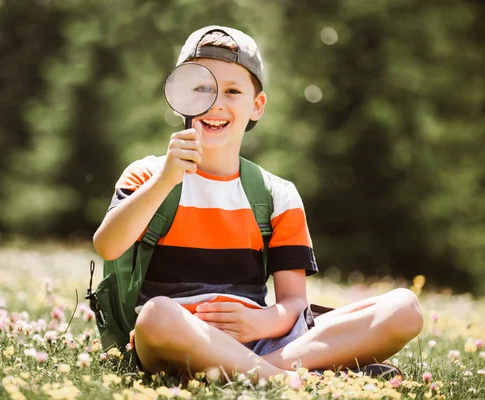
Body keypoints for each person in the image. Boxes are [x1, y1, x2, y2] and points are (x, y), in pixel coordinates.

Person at [93, 25, 423, 380]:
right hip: (175, 338)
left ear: (257, 106)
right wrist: (165, 180)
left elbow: (293, 302)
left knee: (405, 309)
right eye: (201, 88)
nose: (216, 102)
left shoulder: (276, 194)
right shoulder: (147, 175)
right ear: (178, 95)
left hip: (261, 340)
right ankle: (295, 378)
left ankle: (263, 372)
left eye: (233, 90)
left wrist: (260, 320)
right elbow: (108, 246)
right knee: (156, 315)